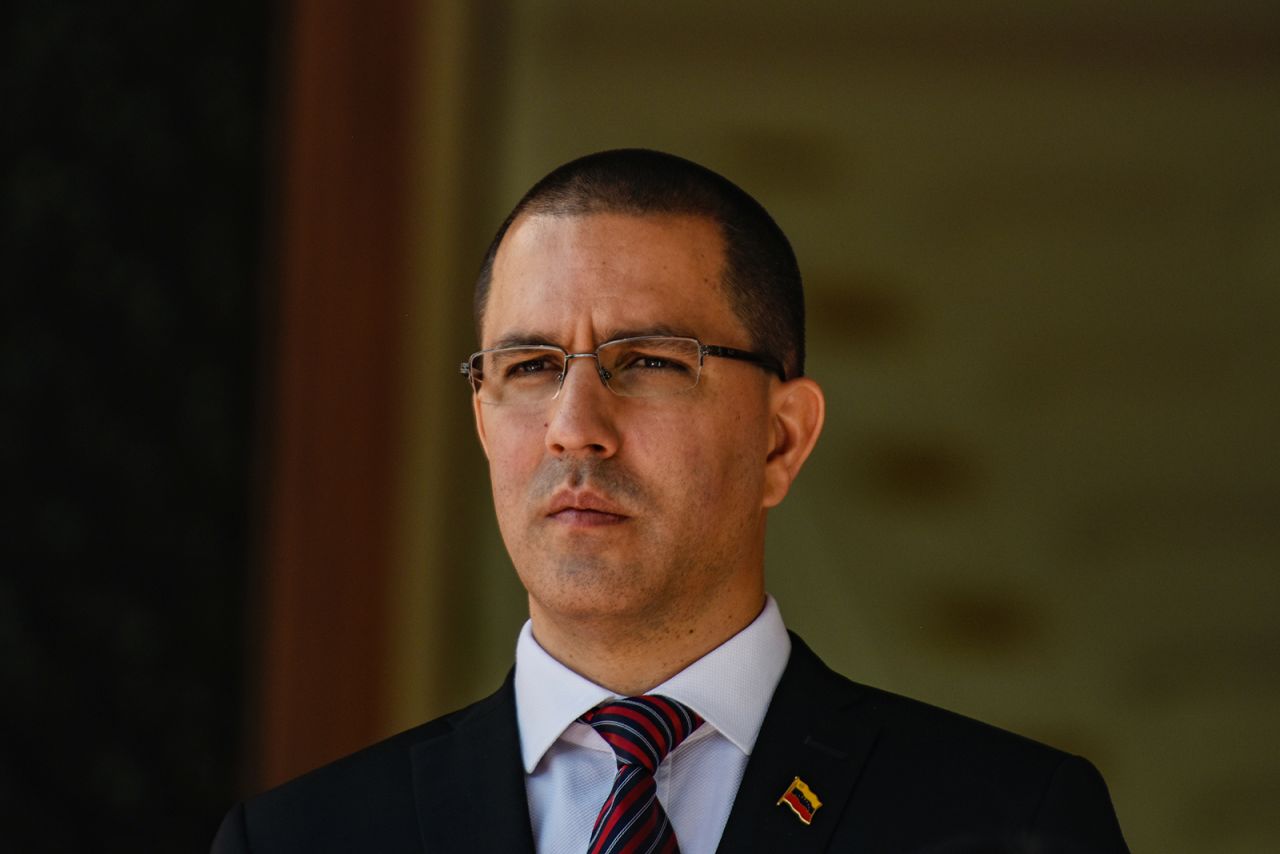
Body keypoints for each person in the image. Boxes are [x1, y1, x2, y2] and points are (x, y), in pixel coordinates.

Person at [212, 149, 1128, 853]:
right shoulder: (301, 840)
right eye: (529, 368)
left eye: (646, 362)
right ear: (484, 423)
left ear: (782, 438)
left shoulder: (1013, 821)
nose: (575, 427)